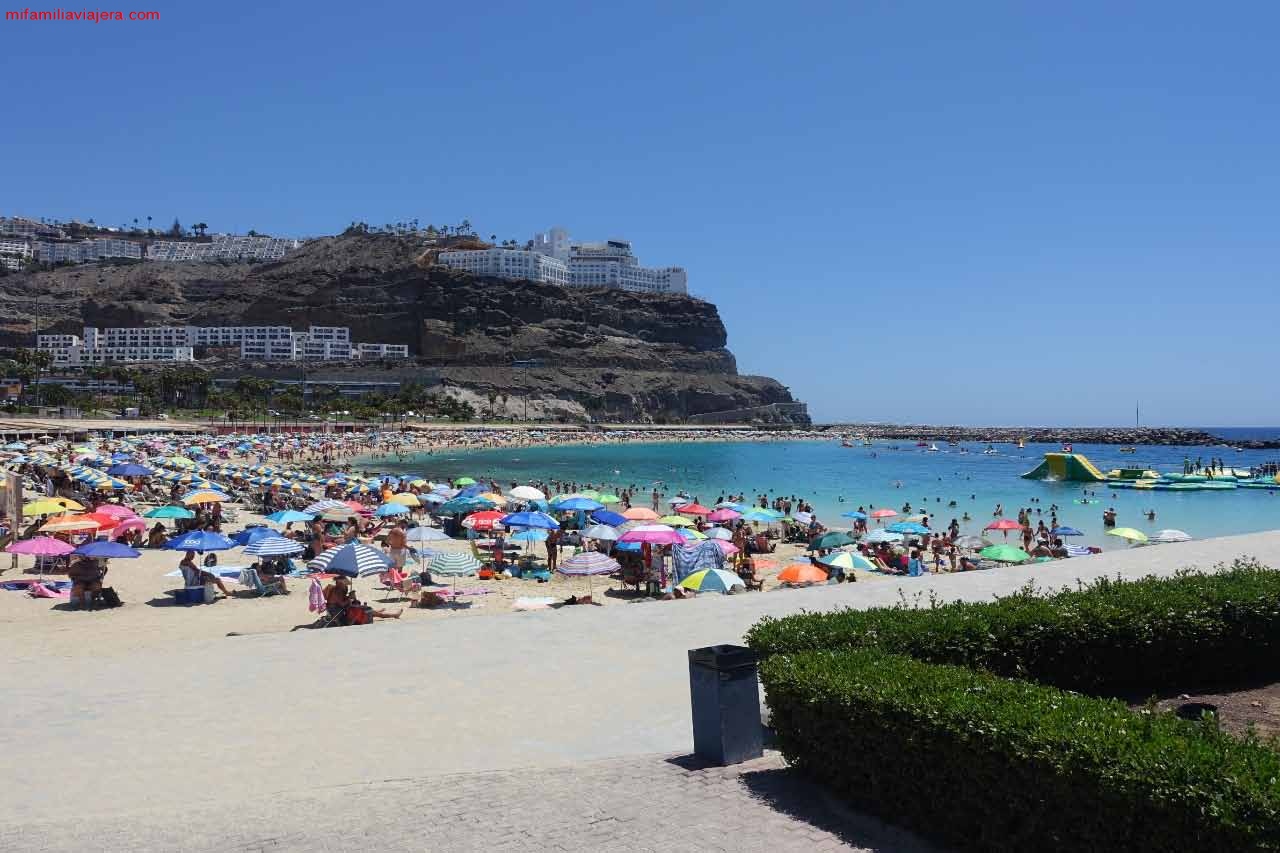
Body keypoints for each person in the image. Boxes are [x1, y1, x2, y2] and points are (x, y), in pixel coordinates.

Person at [323, 574, 401, 624]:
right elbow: (342, 604)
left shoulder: (338, 589)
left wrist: (350, 597)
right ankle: (393, 615)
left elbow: (343, 601)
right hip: (338, 613)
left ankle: (377, 612)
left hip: (339, 610)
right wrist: (350, 598)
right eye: (343, 583)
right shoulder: (336, 591)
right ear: (340, 583)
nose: (344, 585)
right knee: (366, 610)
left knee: (361, 606)